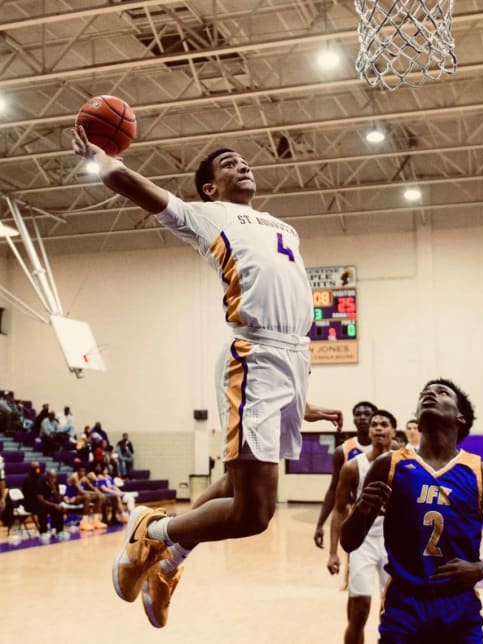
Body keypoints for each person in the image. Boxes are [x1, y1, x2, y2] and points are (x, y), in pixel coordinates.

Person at [72, 127, 343, 629]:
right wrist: (106, 164)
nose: (242, 166)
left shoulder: (284, 227)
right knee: (254, 515)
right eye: (229, 164)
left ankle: (170, 561)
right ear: (210, 189)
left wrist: (302, 401)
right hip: (255, 355)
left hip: (293, 358)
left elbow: (281, 296)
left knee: (240, 487)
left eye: (244, 161)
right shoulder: (208, 215)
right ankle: (153, 530)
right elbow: (145, 192)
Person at [341, 379, 483, 643]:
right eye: (425, 392)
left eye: (441, 392)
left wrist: (480, 569)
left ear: (460, 417)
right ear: (418, 419)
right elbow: (349, 541)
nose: (430, 394)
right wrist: (361, 509)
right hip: (405, 605)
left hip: (459, 607)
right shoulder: (388, 466)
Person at [328, 409, 397, 644]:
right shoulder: (352, 466)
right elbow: (339, 510)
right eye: (374, 424)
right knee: (359, 609)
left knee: (393, 608)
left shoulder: (405, 462)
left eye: (384, 424)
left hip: (394, 540)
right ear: (368, 431)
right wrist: (333, 552)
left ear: (393, 431)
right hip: (363, 540)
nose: (378, 428)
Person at [314, 401, 377, 549]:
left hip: (384, 516)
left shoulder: (390, 448)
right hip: (356, 514)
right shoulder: (343, 450)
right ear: (353, 419)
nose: (362, 417)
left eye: (367, 414)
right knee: (356, 566)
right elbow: (333, 489)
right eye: (358, 414)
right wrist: (320, 524)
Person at [21, 463, 66, 540]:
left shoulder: (55, 484)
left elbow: (58, 499)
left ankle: (59, 530)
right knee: (42, 508)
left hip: (45, 503)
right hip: (31, 503)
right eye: (52, 477)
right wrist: (53, 505)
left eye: (55, 478)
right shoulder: (40, 483)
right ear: (47, 476)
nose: (54, 479)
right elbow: (40, 500)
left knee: (59, 508)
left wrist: (54, 488)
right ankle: (43, 532)